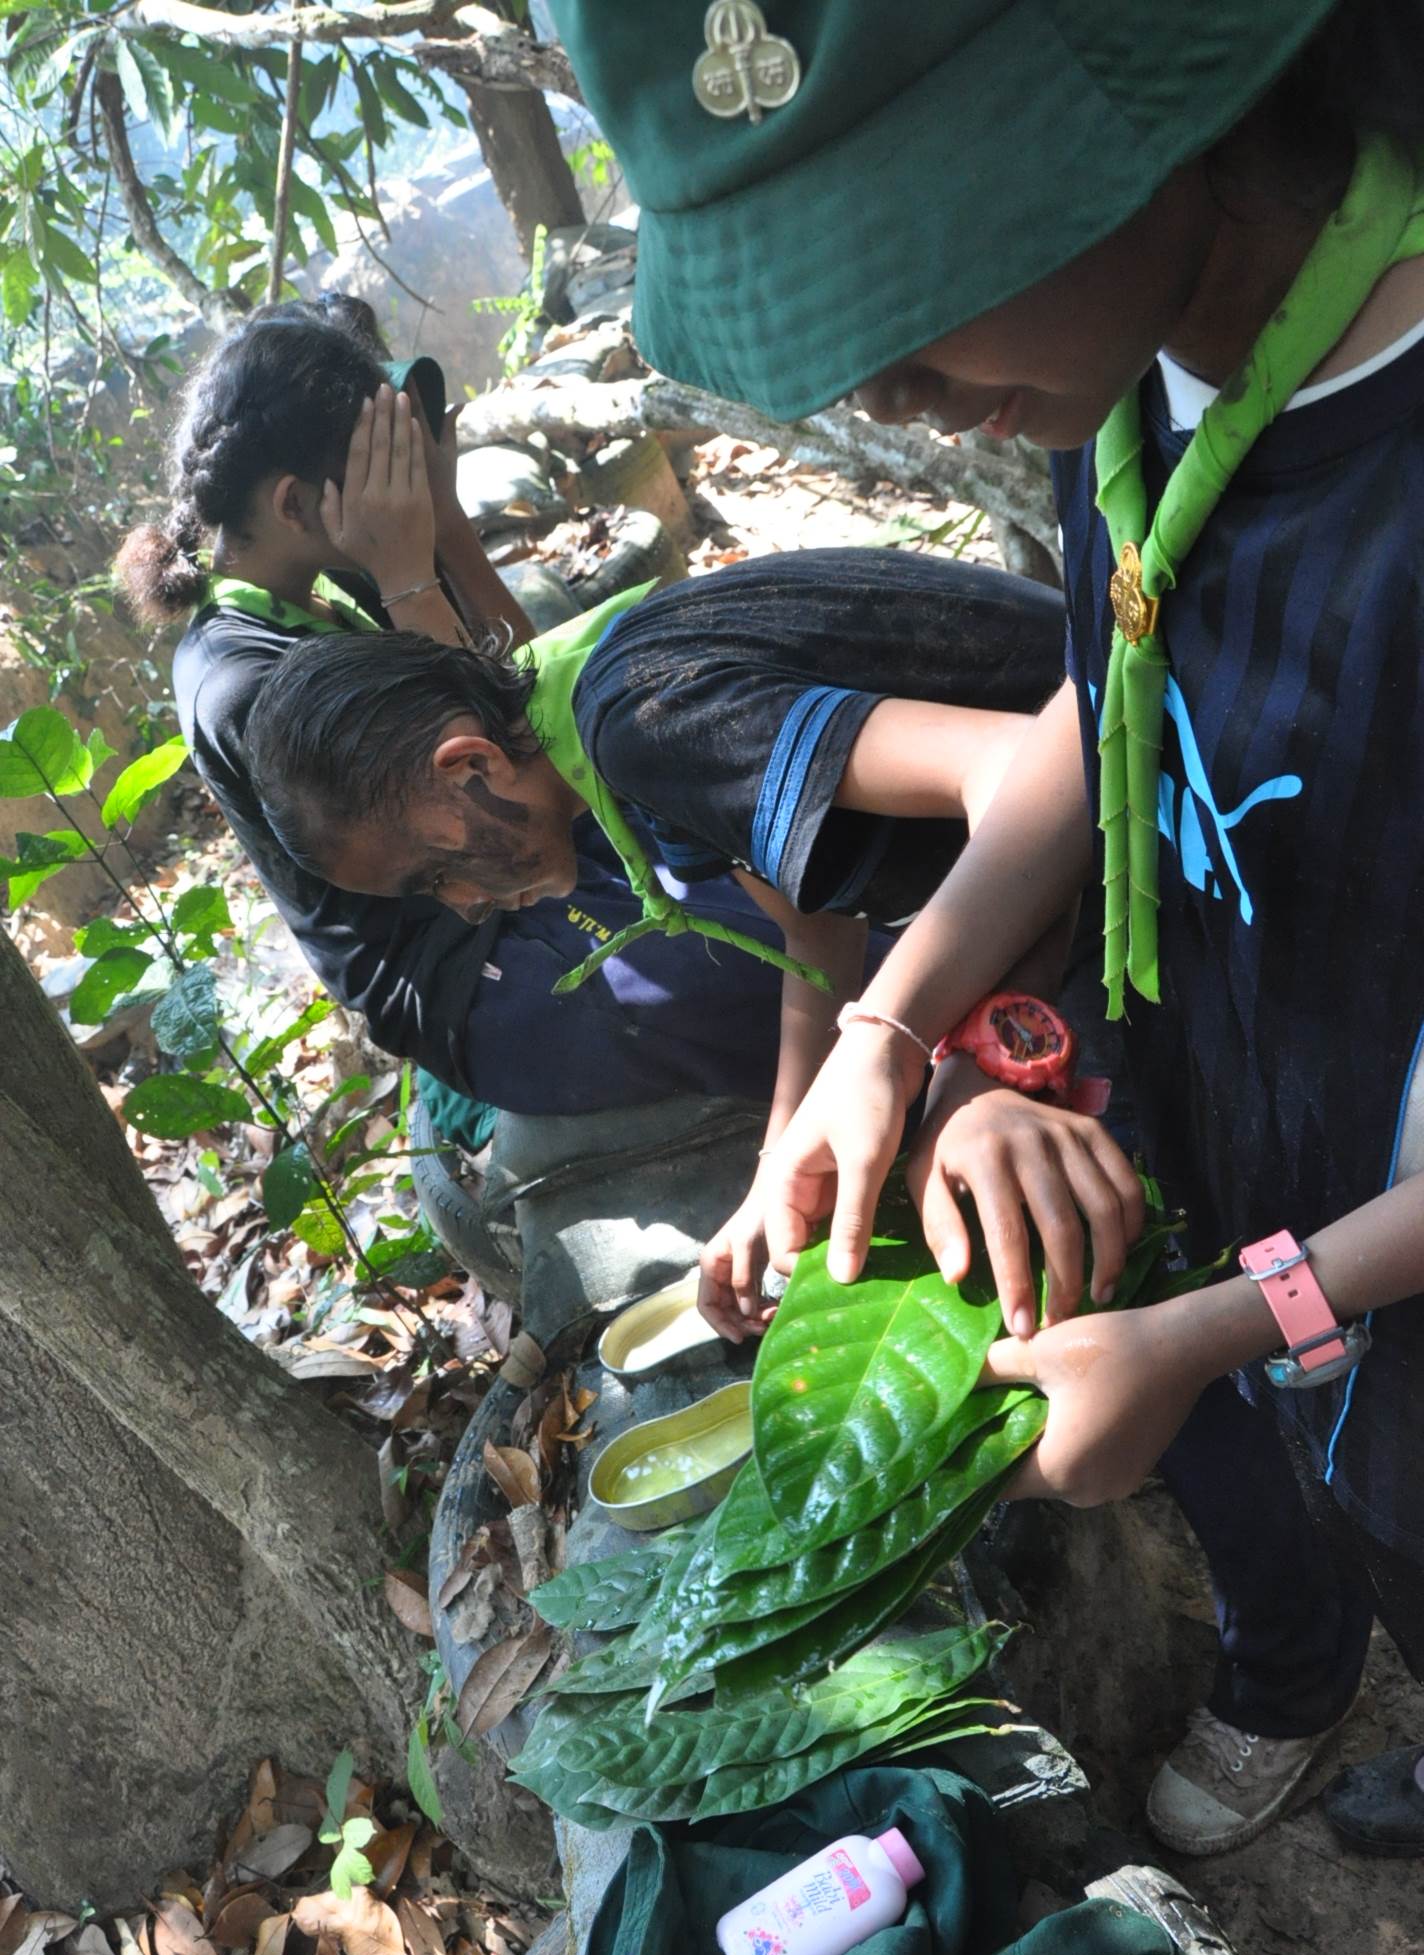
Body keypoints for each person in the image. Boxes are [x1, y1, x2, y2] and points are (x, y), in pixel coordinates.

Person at [547, 0, 1424, 1857]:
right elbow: (1102, 721)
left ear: (1129, 108)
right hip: (1315, 1252)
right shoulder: (1136, 380)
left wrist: (1207, 1331)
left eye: (903, 273)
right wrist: (886, 1033)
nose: (876, 385)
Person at [238, 549, 1083, 1334]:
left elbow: (1036, 764)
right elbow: (816, 927)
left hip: (1138, 793)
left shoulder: (637, 722)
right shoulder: (593, 737)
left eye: (434, 876)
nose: (461, 908)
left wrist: (947, 1058)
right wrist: (776, 1169)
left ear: (469, 766)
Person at [112, 301, 870, 1133]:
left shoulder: (339, 576)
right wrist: (406, 575)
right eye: (378, 467)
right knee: (733, 988)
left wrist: (444, 532)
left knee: (780, 861)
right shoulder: (236, 681)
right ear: (295, 504)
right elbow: (469, 781)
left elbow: (526, 704)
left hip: (521, 836)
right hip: (463, 944)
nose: (397, 486)